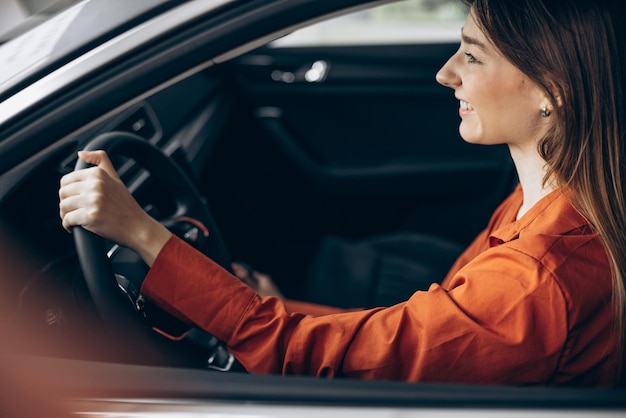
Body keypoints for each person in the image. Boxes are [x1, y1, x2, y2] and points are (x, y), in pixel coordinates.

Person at [59, 0, 626, 386]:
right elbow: (404, 338)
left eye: (472, 57)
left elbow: (320, 361)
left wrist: (143, 236)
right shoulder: (542, 207)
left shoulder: (535, 283)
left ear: (551, 92)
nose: (445, 74)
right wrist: (261, 303)